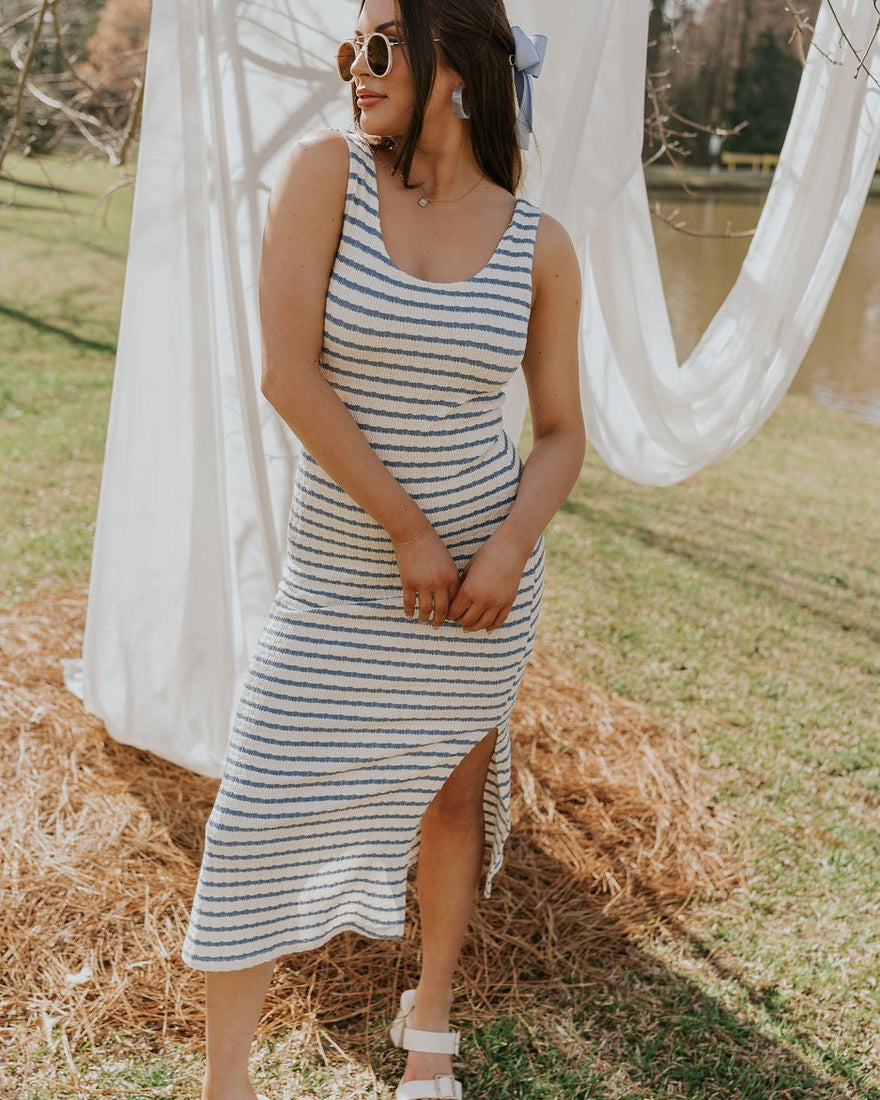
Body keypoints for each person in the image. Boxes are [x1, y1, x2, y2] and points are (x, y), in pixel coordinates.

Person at [181, 0, 584, 1097]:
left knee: (451, 799)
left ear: (453, 60)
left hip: (478, 598)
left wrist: (504, 547)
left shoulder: (539, 243)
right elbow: (287, 375)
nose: (353, 68)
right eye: (350, 47)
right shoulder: (326, 177)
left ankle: (430, 1029)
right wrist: (407, 528)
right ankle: (227, 1081)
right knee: (256, 809)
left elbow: (560, 433)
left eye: (378, 45)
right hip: (345, 578)